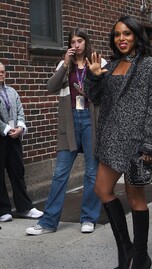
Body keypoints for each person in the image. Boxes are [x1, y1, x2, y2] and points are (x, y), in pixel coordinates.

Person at [84, 16, 152, 269]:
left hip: (136, 143)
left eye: (127, 34)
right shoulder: (110, 65)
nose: (121, 39)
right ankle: (127, 249)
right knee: (102, 189)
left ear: (137, 36)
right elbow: (94, 98)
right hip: (111, 140)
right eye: (118, 34)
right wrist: (94, 76)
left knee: (135, 199)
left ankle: (140, 258)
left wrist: (150, 145)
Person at [26, 28, 106, 235]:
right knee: (60, 174)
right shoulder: (65, 65)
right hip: (70, 122)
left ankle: (88, 218)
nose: (76, 45)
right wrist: (65, 64)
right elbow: (50, 87)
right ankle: (48, 222)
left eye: (80, 41)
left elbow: (107, 92)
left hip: (91, 121)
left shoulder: (98, 61)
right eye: (73, 41)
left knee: (91, 172)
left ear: (86, 42)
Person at [0, 62, 43, 222]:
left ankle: (25, 208)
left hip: (14, 137)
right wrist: (5, 128)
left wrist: (20, 127)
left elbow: (20, 110)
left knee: (18, 172)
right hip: (1, 136)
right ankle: (3, 210)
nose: (1, 74)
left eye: (3, 71)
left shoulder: (12, 91)